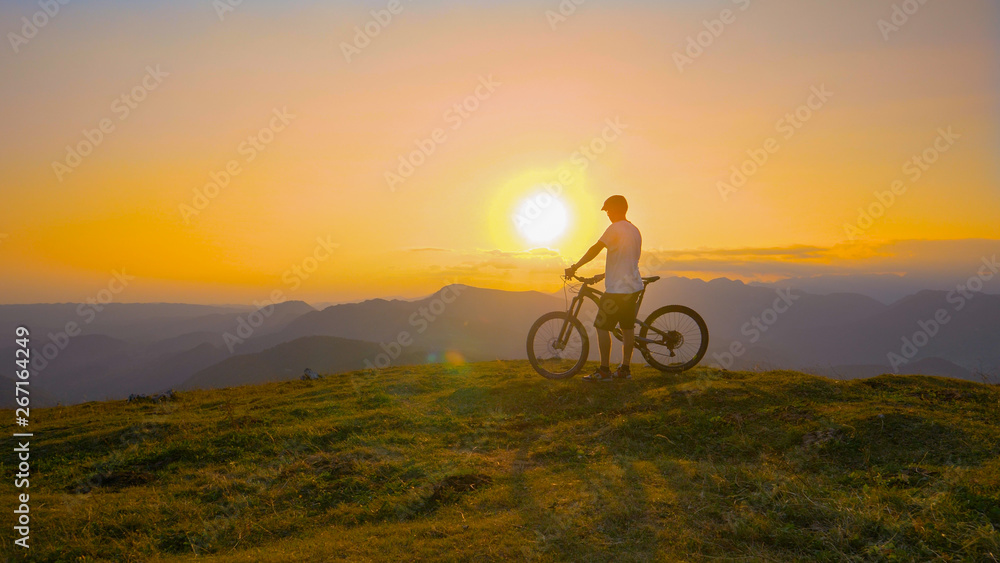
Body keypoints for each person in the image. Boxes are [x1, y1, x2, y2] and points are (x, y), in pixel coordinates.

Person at [564, 195, 644, 382]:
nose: (607, 214)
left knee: (602, 326)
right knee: (627, 328)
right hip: (633, 287)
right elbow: (627, 259)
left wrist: (575, 267)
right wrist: (602, 275)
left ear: (616, 209)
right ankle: (625, 370)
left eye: (608, 210)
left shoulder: (614, 228)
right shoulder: (634, 230)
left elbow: (595, 249)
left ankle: (604, 371)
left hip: (617, 290)